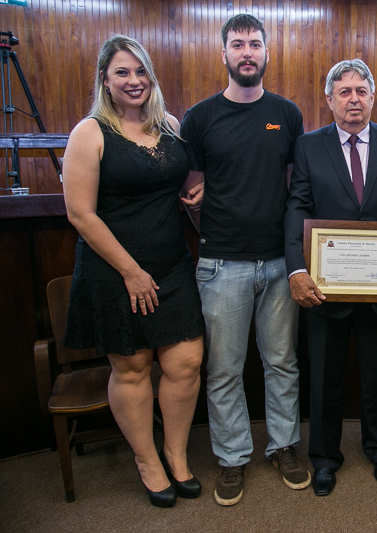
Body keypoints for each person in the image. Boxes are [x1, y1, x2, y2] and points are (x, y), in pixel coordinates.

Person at [62, 35, 205, 508]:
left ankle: (176, 454)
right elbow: (80, 214)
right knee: (133, 366)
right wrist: (131, 271)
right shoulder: (90, 132)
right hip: (114, 270)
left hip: (172, 265)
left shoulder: (169, 124)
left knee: (185, 362)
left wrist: (198, 193)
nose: (134, 80)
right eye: (122, 72)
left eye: (141, 71)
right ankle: (147, 461)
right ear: (105, 79)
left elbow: (181, 184)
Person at [284, 58, 377, 497]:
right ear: (329, 100)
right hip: (324, 287)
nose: (353, 99)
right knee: (323, 378)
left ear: (373, 97)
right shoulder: (309, 146)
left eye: (361, 91)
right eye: (344, 92)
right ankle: (324, 458)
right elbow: (297, 207)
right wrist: (296, 268)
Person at [180, 14, 309, 506]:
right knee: (223, 369)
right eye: (238, 44)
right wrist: (216, 233)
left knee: (282, 363)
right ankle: (232, 457)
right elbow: (191, 195)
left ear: (267, 53)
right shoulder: (200, 118)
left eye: (255, 44)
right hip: (221, 264)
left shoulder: (287, 114)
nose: (247, 52)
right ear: (224, 54)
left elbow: (297, 188)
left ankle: (283, 446)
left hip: (279, 263)